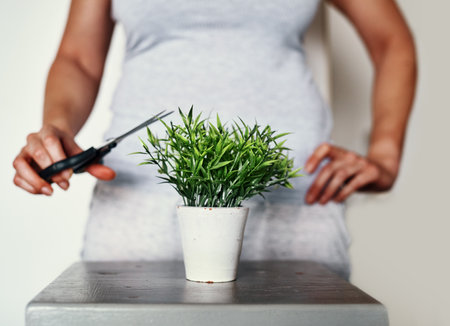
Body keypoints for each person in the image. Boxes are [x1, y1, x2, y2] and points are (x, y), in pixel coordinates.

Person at [12, 0, 416, 280]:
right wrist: (58, 125)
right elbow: (78, 58)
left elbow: (391, 42)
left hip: (293, 208)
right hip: (139, 211)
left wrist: (384, 154)